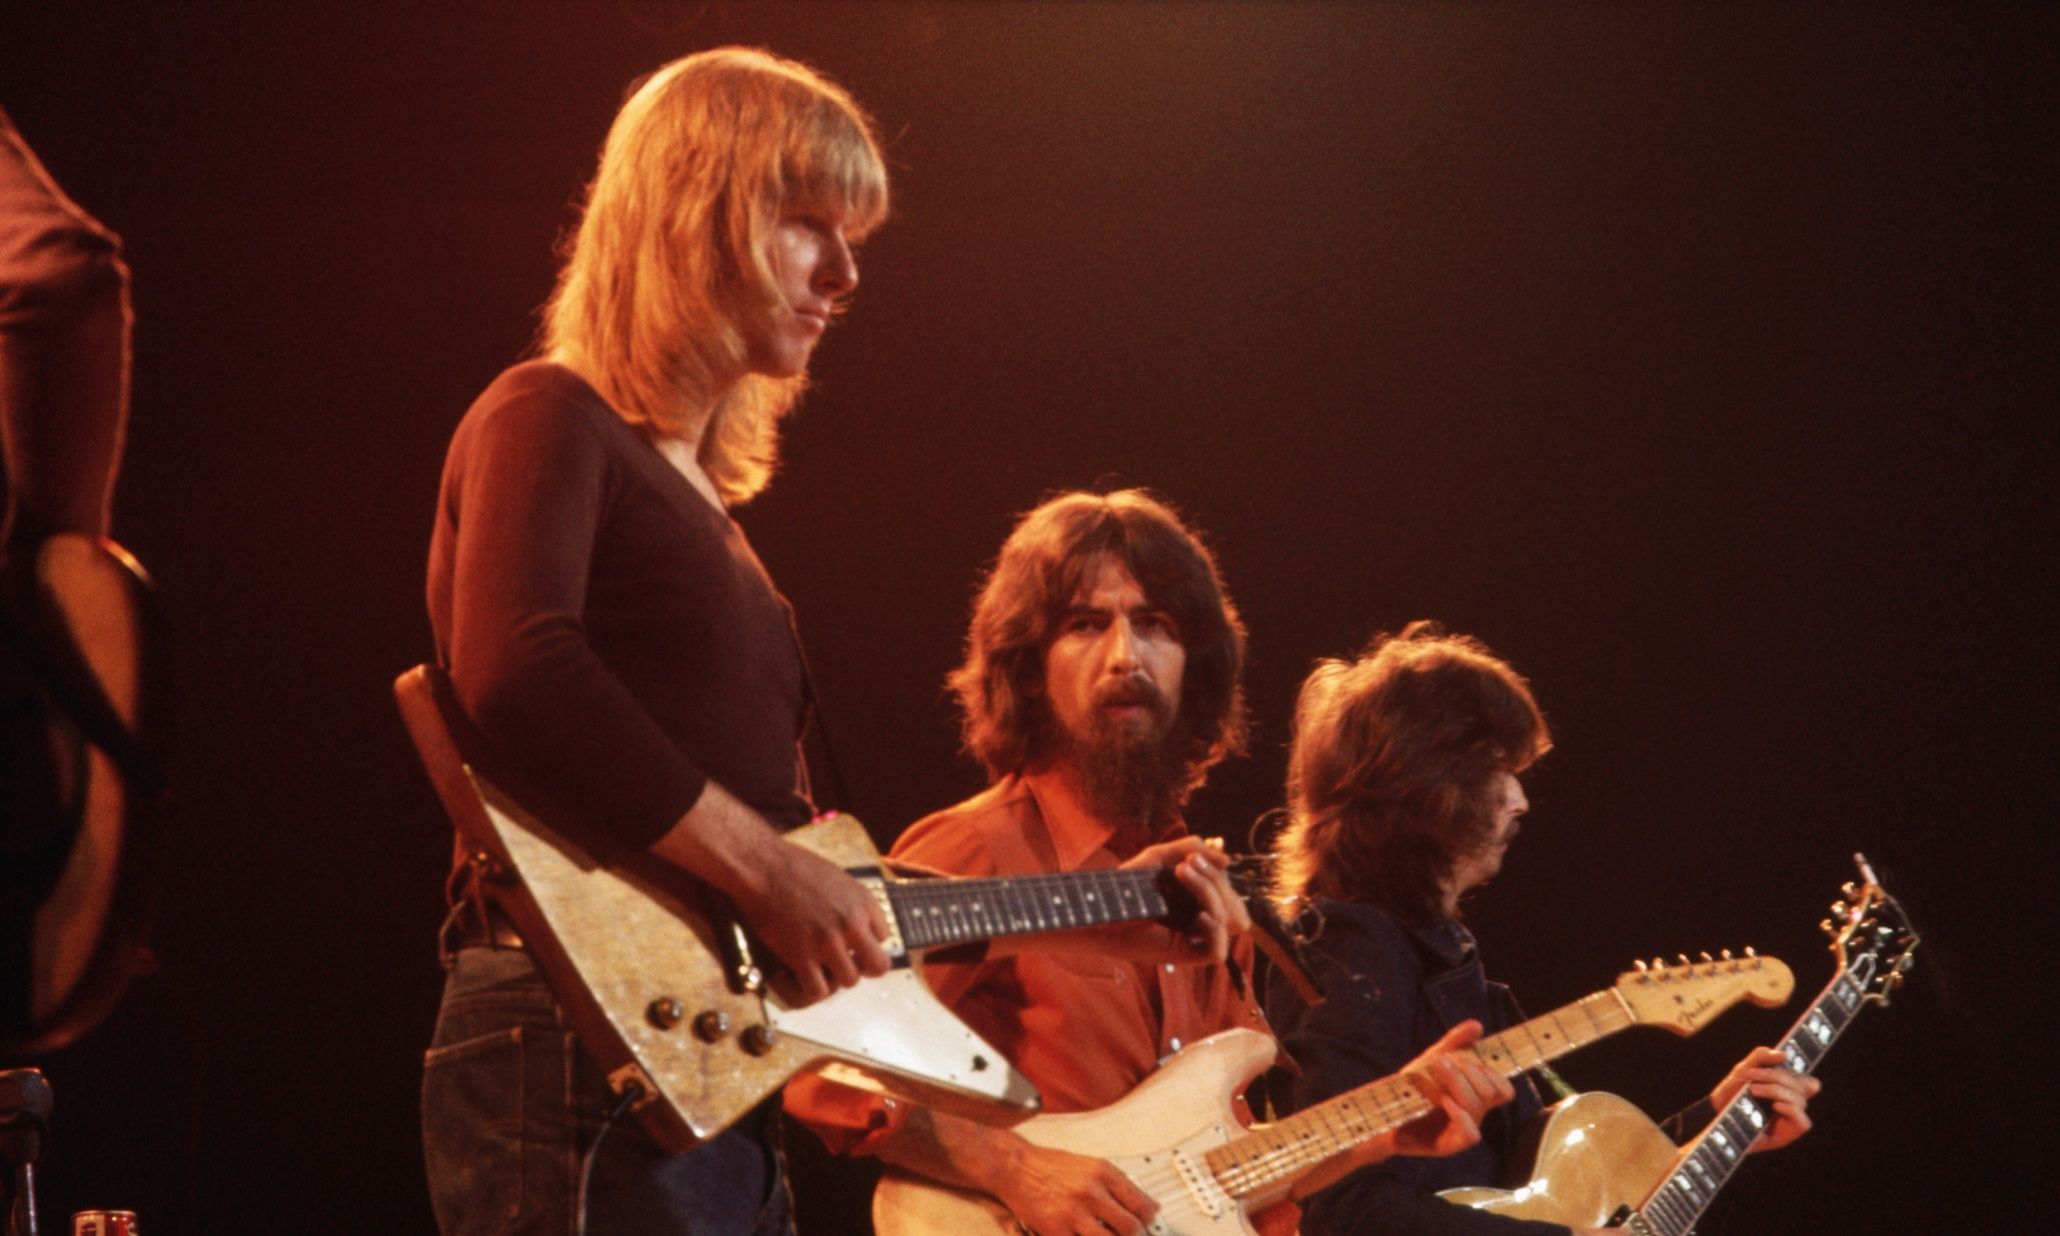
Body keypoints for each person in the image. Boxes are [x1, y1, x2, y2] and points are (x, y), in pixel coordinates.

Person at [420, 47, 896, 1236]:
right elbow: (516, 664)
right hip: (568, 1023)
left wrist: (1115, 897)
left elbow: (790, 841)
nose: (842, 273)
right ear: (699, 219)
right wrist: (766, 868)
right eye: (805, 224)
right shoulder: (548, 411)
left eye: (852, 240)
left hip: (695, 1048)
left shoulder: (707, 511)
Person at [787, 492, 1513, 1236]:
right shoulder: (976, 851)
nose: (1126, 656)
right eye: (1084, 625)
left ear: (1193, 670)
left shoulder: (1201, 889)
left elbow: (1219, 1167)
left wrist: (1382, 1134)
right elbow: (820, 1065)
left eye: (1155, 625)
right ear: (1028, 669)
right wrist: (1015, 1170)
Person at [1264, 622, 1822, 1236]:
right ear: (1432, 783)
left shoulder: (1440, 962)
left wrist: (1716, 1125)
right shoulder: (1350, 944)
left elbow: (1552, 1191)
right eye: (1499, 771)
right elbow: (1344, 1208)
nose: (1520, 800)